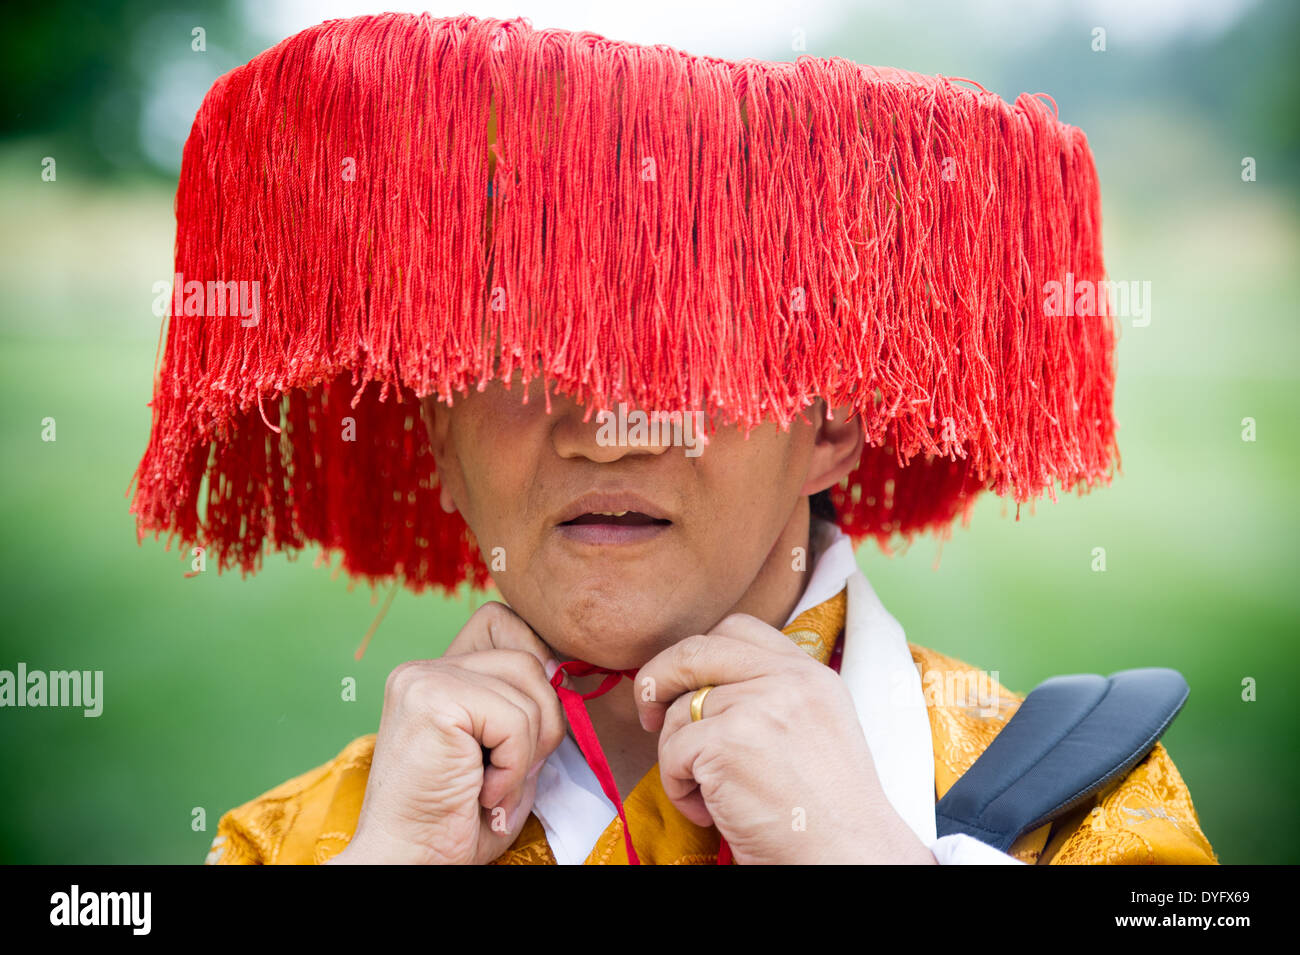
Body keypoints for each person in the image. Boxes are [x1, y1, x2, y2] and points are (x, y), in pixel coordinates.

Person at [130, 12, 1217, 865]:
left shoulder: (1087, 807)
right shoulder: (305, 840)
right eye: (520, 359)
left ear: (833, 424)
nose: (605, 435)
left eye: (686, 366)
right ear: (434, 437)